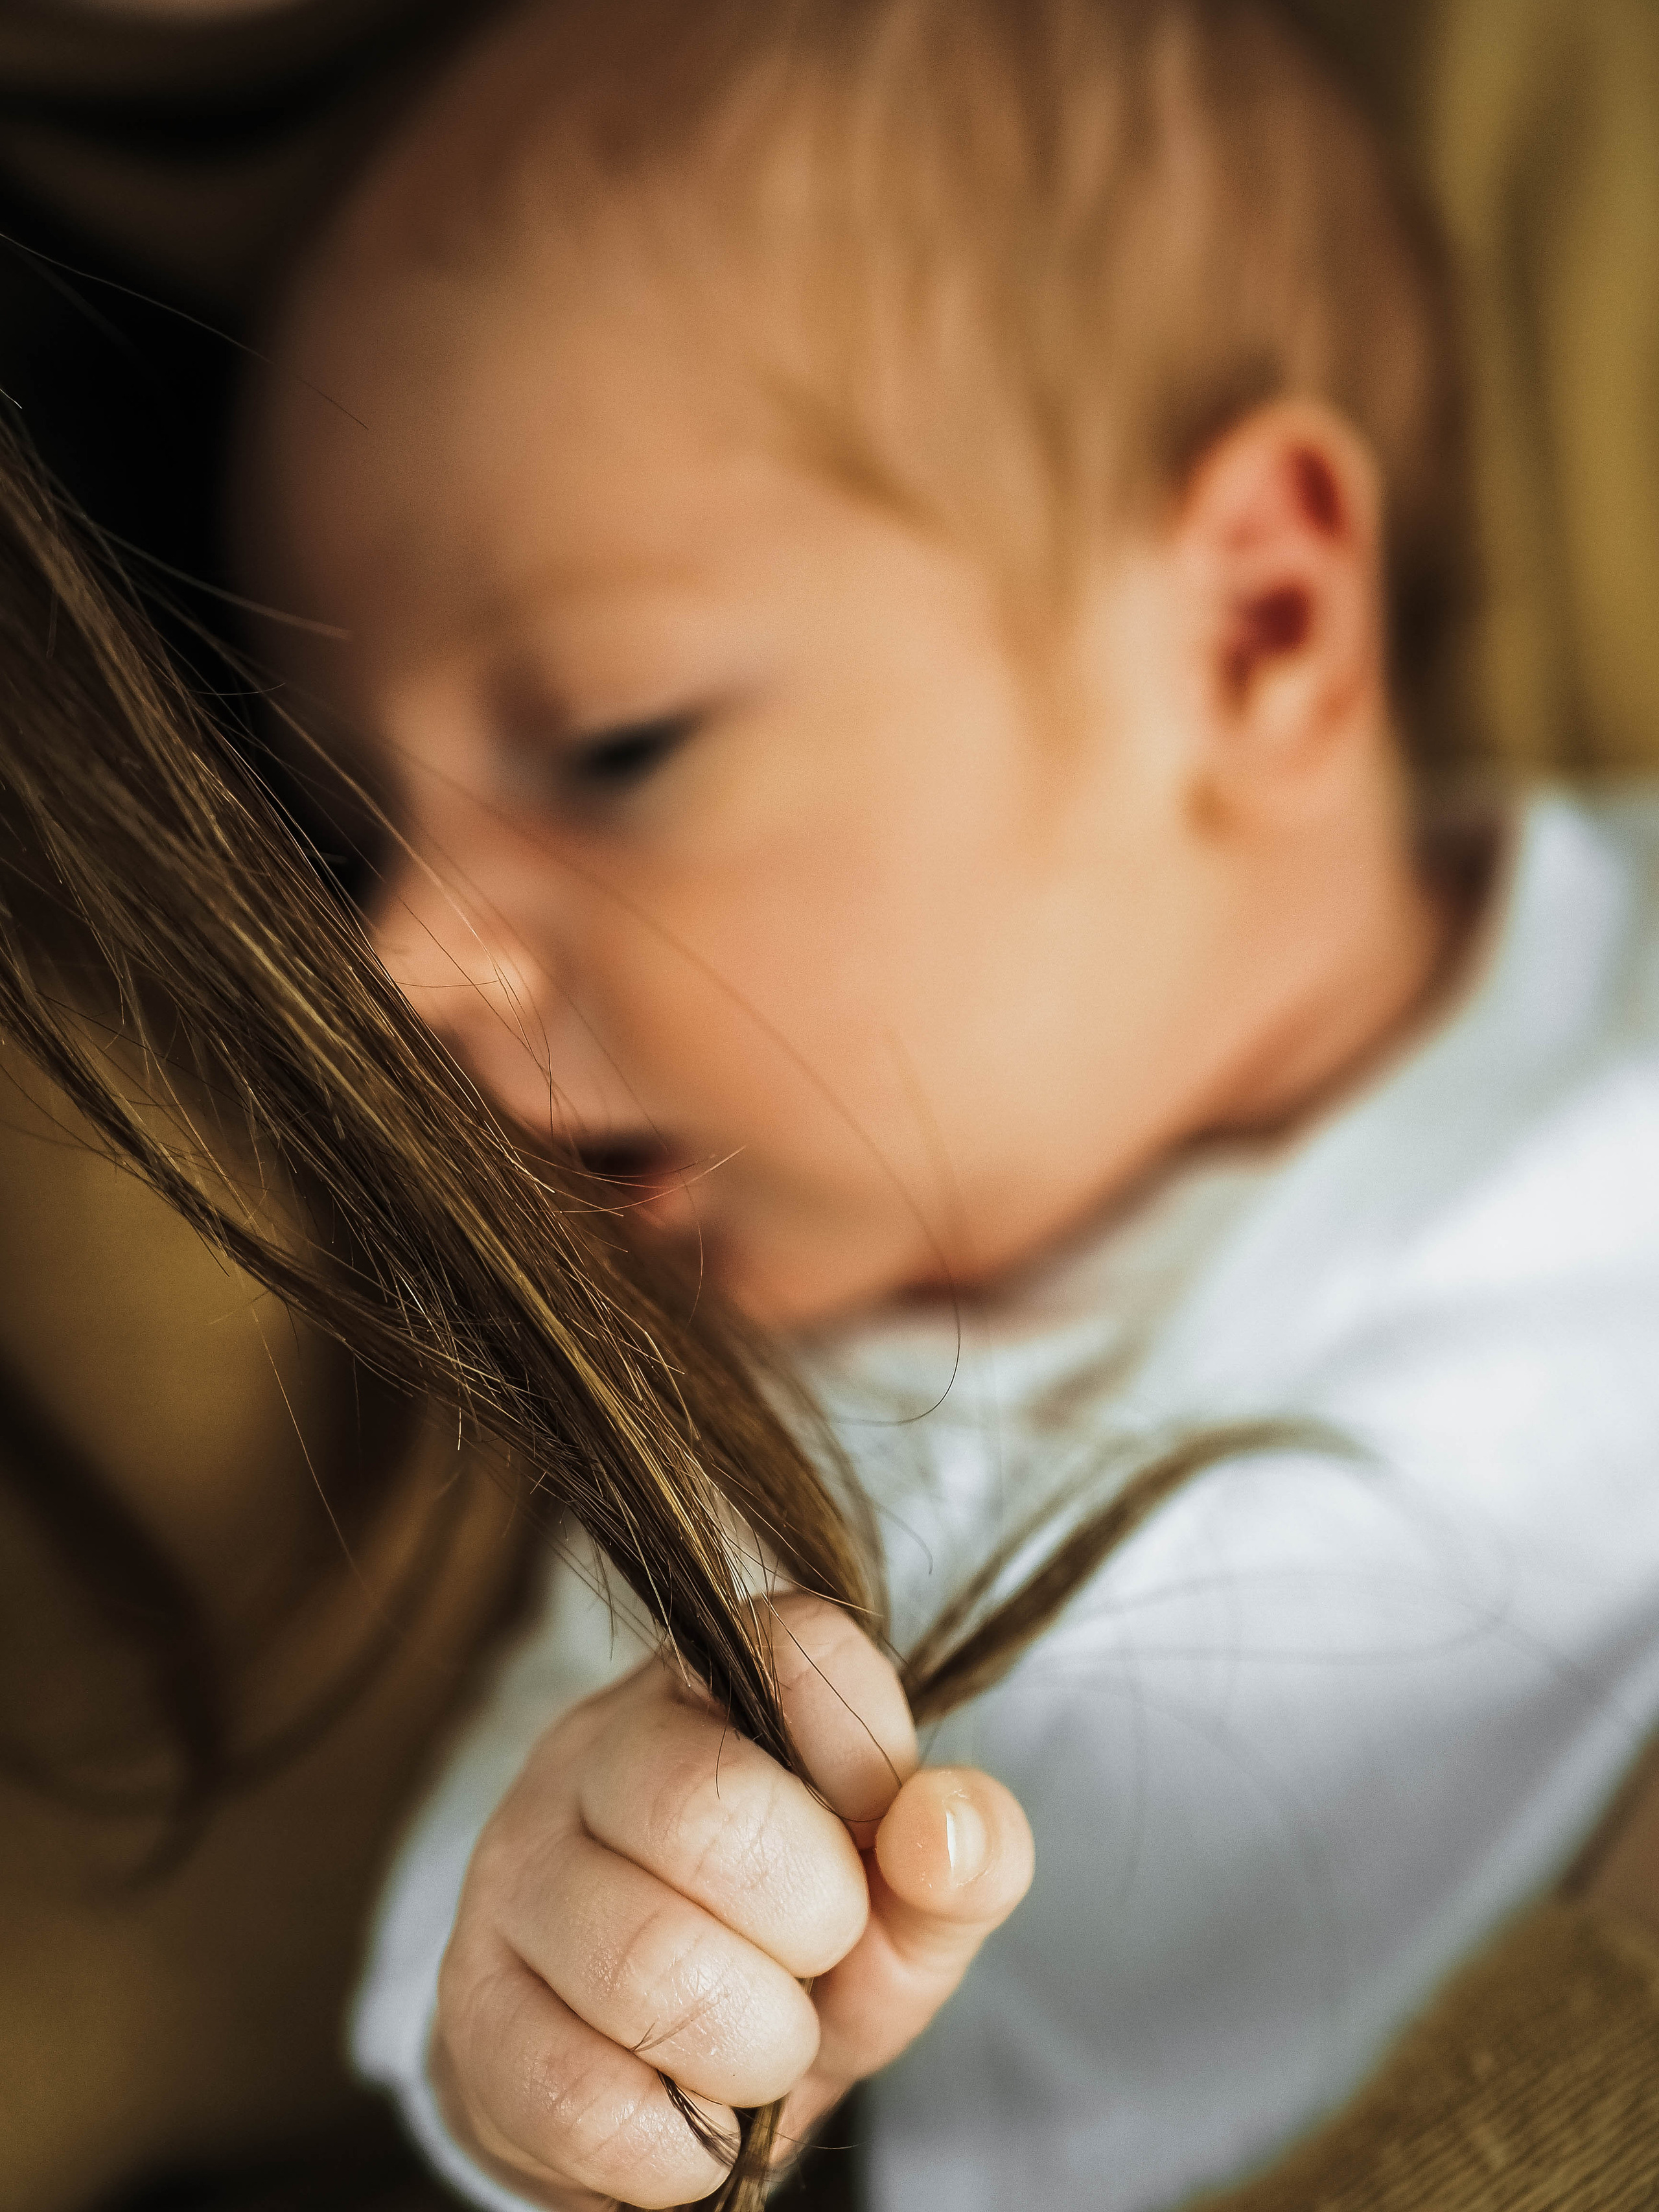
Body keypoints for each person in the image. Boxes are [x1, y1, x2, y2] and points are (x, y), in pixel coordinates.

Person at [237, 3, 1659, 2209]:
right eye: (366, 836)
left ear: (1256, 628)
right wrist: (575, 2000)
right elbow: (514, 1923)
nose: (400, 968)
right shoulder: (775, 1472)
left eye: (612, 747)